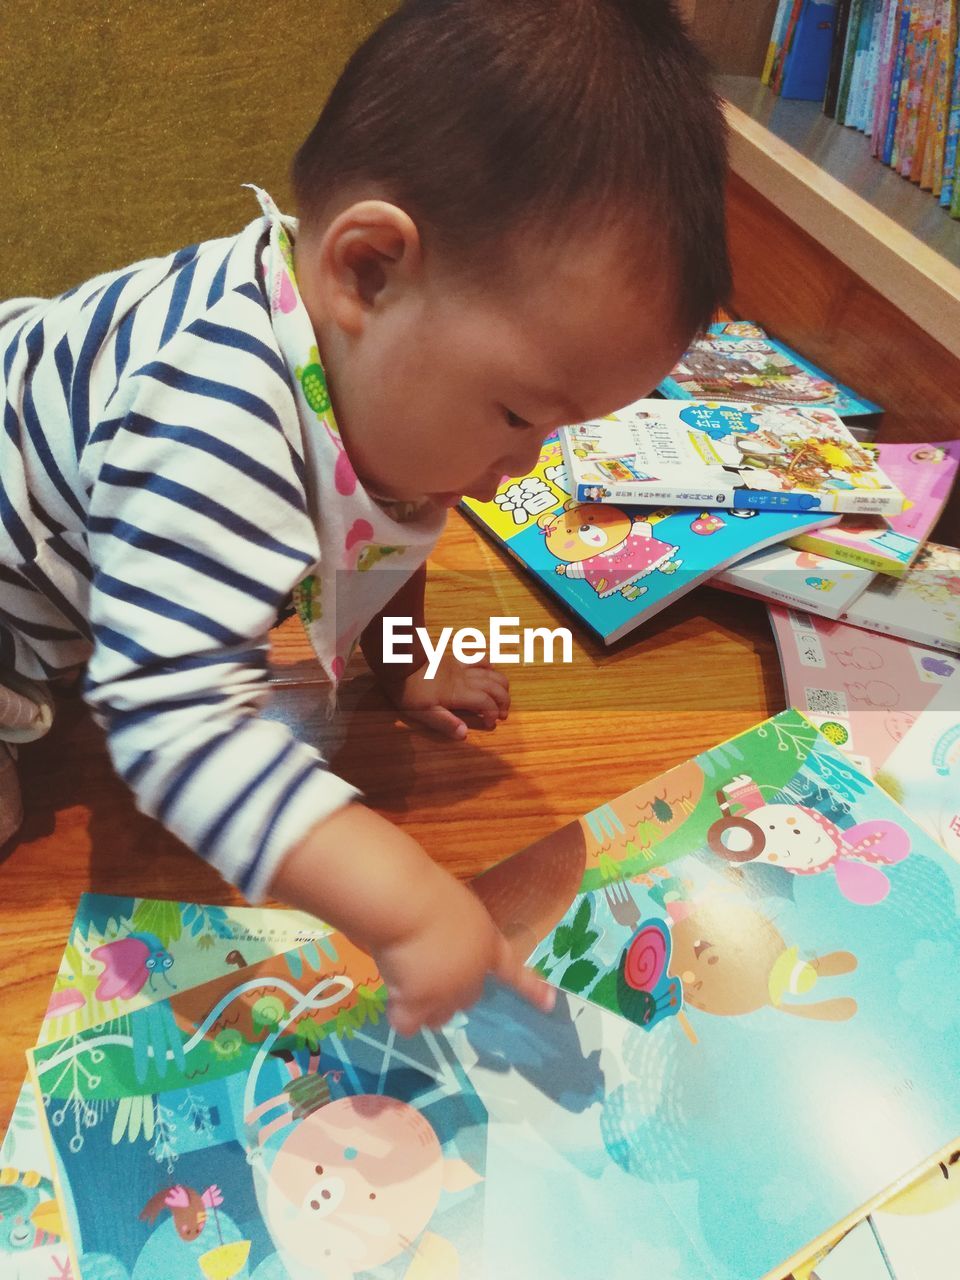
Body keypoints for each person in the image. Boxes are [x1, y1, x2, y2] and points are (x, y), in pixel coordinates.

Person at [0, 0, 730, 1034]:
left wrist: (398, 658)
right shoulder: (213, 412)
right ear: (369, 270)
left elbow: (384, 513)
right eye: (520, 412)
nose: (518, 465)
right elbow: (170, 715)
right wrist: (408, 897)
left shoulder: (357, 360)